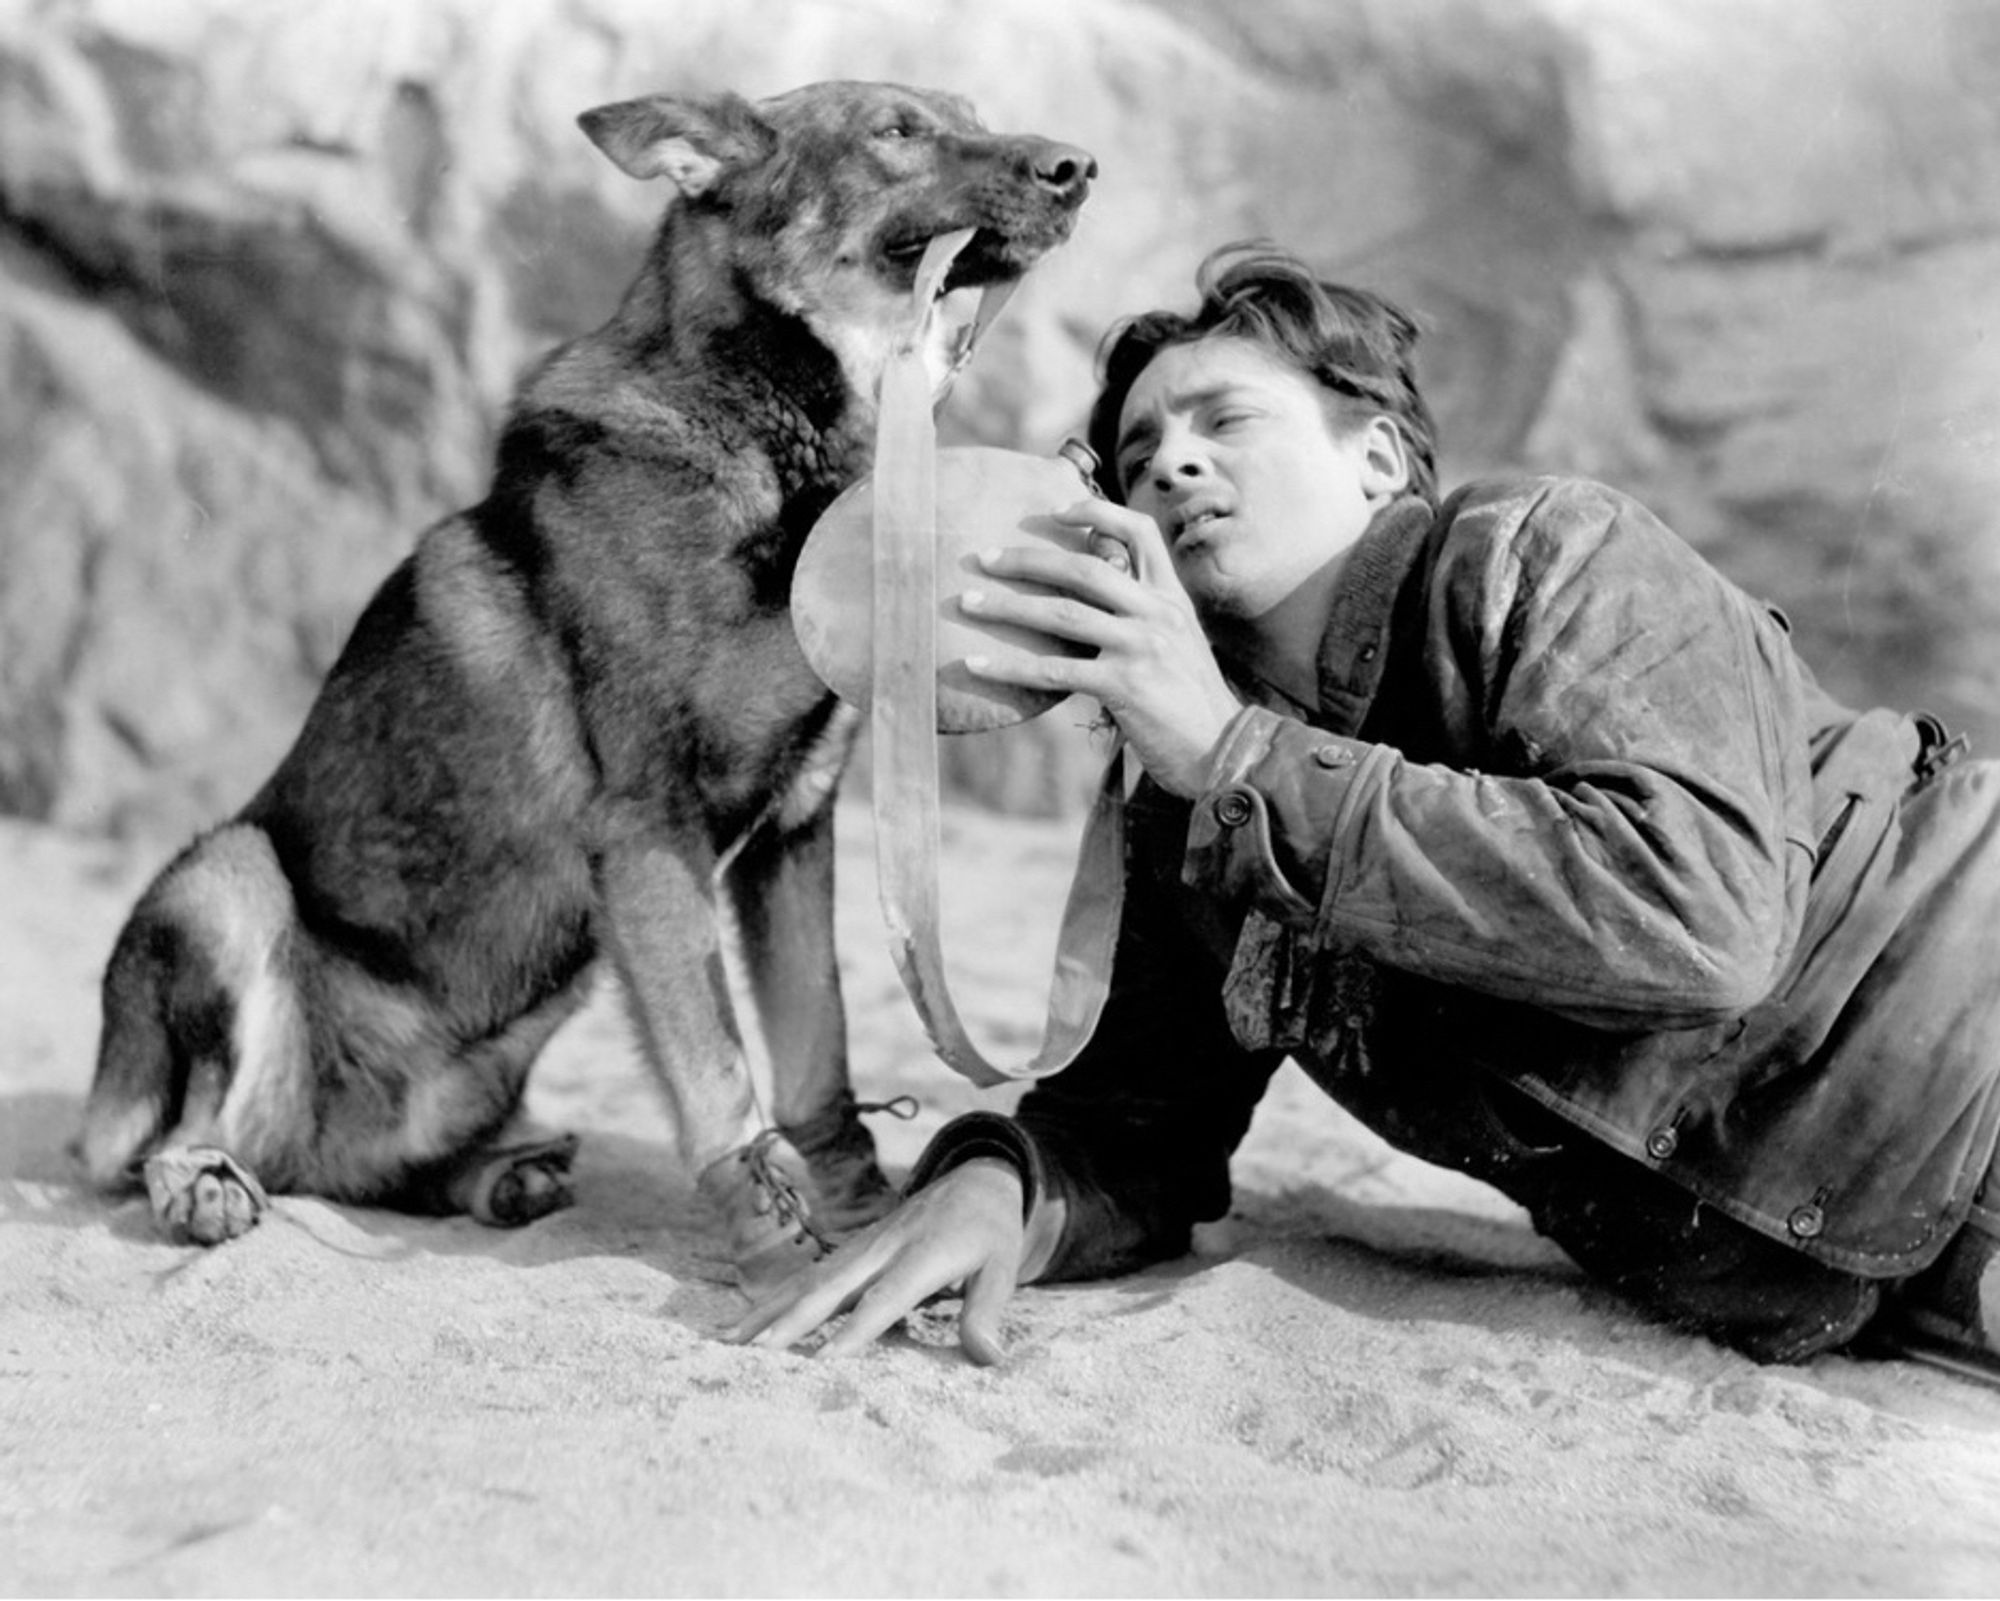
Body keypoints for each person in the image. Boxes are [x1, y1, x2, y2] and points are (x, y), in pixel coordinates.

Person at [731, 241, 2000, 1373]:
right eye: (1135, 454)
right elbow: (1133, 1131)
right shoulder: (1189, 806)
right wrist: (999, 1185)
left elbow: (1697, 914)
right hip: (1897, 1268)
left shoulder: (1543, 554)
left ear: (1379, 456)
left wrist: (1236, 753)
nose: (1170, 460)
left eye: (1224, 419)